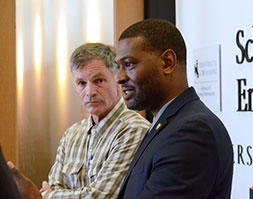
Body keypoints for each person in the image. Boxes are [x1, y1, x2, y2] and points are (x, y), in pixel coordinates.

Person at [9, 42, 150, 198]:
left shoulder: (134, 129)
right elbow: (55, 185)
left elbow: (103, 196)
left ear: (118, 80)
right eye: (81, 83)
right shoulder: (72, 134)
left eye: (99, 81)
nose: (90, 92)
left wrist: (47, 196)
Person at [115, 19, 234, 199]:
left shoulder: (192, 131)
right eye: (119, 67)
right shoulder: (167, 124)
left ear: (167, 63)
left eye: (129, 64)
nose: (120, 77)